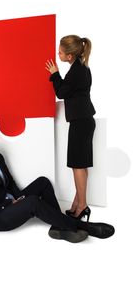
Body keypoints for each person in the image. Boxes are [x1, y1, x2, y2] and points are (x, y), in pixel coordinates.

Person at [0, 127, 114, 243]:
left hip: (12, 201)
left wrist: (19, 198)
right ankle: (83, 226)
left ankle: (58, 225)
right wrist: (10, 202)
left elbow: (9, 182)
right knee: (33, 203)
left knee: (43, 182)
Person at [46, 35, 96, 221]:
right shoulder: (81, 68)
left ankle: (82, 205)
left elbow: (61, 92)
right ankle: (78, 202)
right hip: (83, 121)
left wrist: (55, 73)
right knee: (80, 164)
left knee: (77, 165)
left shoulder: (77, 72)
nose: (57, 54)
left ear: (69, 56)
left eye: (60, 52)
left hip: (81, 122)